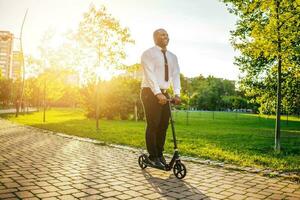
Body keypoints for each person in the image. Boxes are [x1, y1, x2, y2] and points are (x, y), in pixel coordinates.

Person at [140, 28, 181, 169]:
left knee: (164, 125)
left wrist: (177, 94)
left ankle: (159, 154)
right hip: (149, 92)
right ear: (155, 37)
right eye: (162, 34)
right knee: (154, 124)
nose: (166, 36)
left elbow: (176, 75)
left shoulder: (173, 57)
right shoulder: (148, 54)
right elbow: (150, 75)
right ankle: (152, 156)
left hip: (165, 92)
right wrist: (157, 93)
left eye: (167, 35)